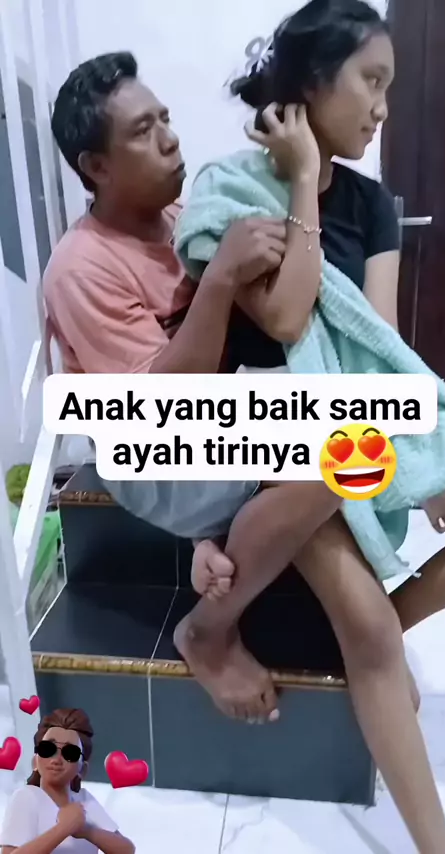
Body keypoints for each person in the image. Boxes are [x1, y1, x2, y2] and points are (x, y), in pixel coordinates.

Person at [175, 1, 445, 850]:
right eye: (370, 82)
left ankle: (389, 615)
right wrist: (304, 176)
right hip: (271, 426)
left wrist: (430, 458)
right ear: (312, 82)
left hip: (353, 418)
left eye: (390, 88)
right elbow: (282, 317)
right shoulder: (233, 188)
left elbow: (377, 344)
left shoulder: (375, 206)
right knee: (370, 634)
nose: (382, 108)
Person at [43, 50, 343, 728]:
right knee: (339, 458)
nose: (171, 139)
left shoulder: (182, 214)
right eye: (143, 131)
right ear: (96, 166)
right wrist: (222, 278)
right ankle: (207, 631)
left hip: (212, 422)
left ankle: (220, 537)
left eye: (166, 119)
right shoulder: (80, 267)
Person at [0, 708, 134, 854]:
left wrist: (87, 830)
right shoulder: (27, 797)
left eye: (70, 753)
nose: (56, 760)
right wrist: (63, 828)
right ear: (35, 762)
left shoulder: (85, 800)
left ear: (82, 769)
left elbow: (126, 850)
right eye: (47, 749)